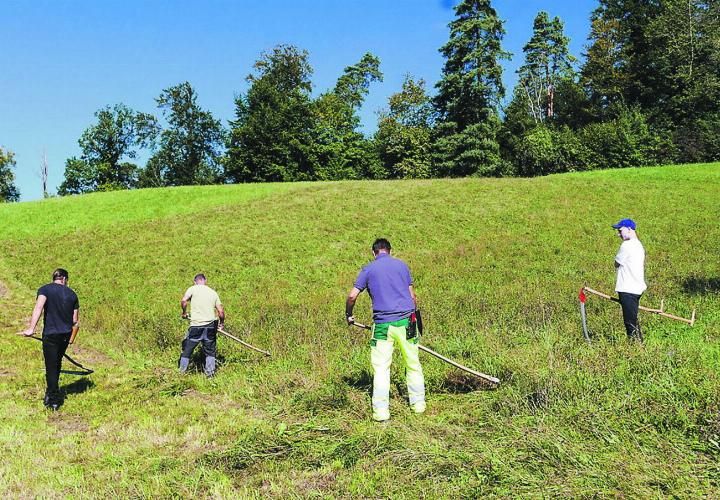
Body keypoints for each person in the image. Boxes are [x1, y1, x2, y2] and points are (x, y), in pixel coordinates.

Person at [346, 238, 425, 422]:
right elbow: (413, 297)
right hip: (407, 322)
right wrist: (414, 319)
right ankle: (418, 405)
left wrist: (349, 315)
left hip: (382, 326)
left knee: (381, 368)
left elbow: (352, 296)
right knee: (413, 363)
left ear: (373, 252)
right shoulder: (402, 266)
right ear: (389, 250)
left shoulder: (368, 269)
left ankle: (381, 413)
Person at [18, 268, 79, 411]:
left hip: (51, 334)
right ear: (64, 279)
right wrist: (71, 338)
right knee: (56, 363)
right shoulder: (72, 294)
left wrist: (31, 329)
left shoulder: (45, 289)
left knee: (51, 366)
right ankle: (51, 391)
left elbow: (39, 307)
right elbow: (75, 320)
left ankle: (53, 399)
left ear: (55, 278)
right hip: (65, 334)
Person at [179, 273, 225, 377]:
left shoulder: (192, 289)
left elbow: (184, 301)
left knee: (187, 350)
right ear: (205, 281)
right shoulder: (213, 293)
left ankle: (181, 373)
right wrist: (221, 324)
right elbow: (221, 312)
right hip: (210, 327)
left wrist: (184, 312)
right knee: (210, 352)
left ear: (195, 282)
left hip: (196, 326)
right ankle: (210, 375)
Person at [612, 218, 647, 341]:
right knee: (633, 319)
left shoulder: (626, 245)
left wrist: (616, 263)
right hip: (637, 288)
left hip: (627, 289)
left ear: (629, 229)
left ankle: (635, 350)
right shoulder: (639, 245)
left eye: (620, 231)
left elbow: (617, 263)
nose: (618, 234)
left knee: (630, 324)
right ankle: (639, 345)